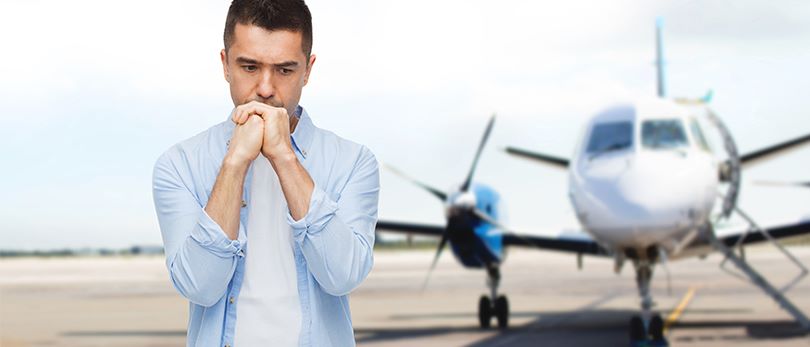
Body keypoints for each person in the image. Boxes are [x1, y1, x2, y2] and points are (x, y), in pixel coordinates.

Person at [152, 0, 379, 346]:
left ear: (308, 70)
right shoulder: (179, 164)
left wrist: (284, 155)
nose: (266, 89)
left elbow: (343, 276)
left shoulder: (354, 162)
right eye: (249, 67)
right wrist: (234, 163)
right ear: (225, 64)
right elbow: (199, 286)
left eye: (285, 70)